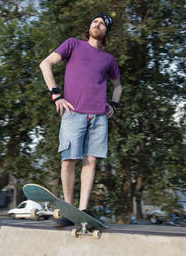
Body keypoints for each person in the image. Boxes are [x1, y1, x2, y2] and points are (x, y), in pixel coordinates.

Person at [39, 12, 123, 226]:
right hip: (72, 113)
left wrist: (113, 104)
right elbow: (45, 64)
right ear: (90, 26)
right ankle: (68, 210)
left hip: (98, 117)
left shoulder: (108, 59)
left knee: (91, 160)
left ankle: (83, 209)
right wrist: (56, 94)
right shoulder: (73, 45)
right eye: (95, 21)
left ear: (105, 33)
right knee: (68, 160)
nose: (97, 24)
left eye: (103, 24)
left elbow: (118, 86)